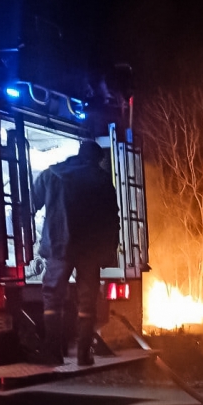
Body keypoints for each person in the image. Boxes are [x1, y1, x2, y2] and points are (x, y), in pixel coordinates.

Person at [32, 141, 119, 365]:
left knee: (53, 297)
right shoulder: (101, 180)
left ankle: (53, 351)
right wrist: (109, 253)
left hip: (59, 247)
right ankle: (83, 354)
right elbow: (112, 220)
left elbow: (31, 202)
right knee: (87, 301)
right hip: (89, 250)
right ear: (97, 159)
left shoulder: (52, 173)